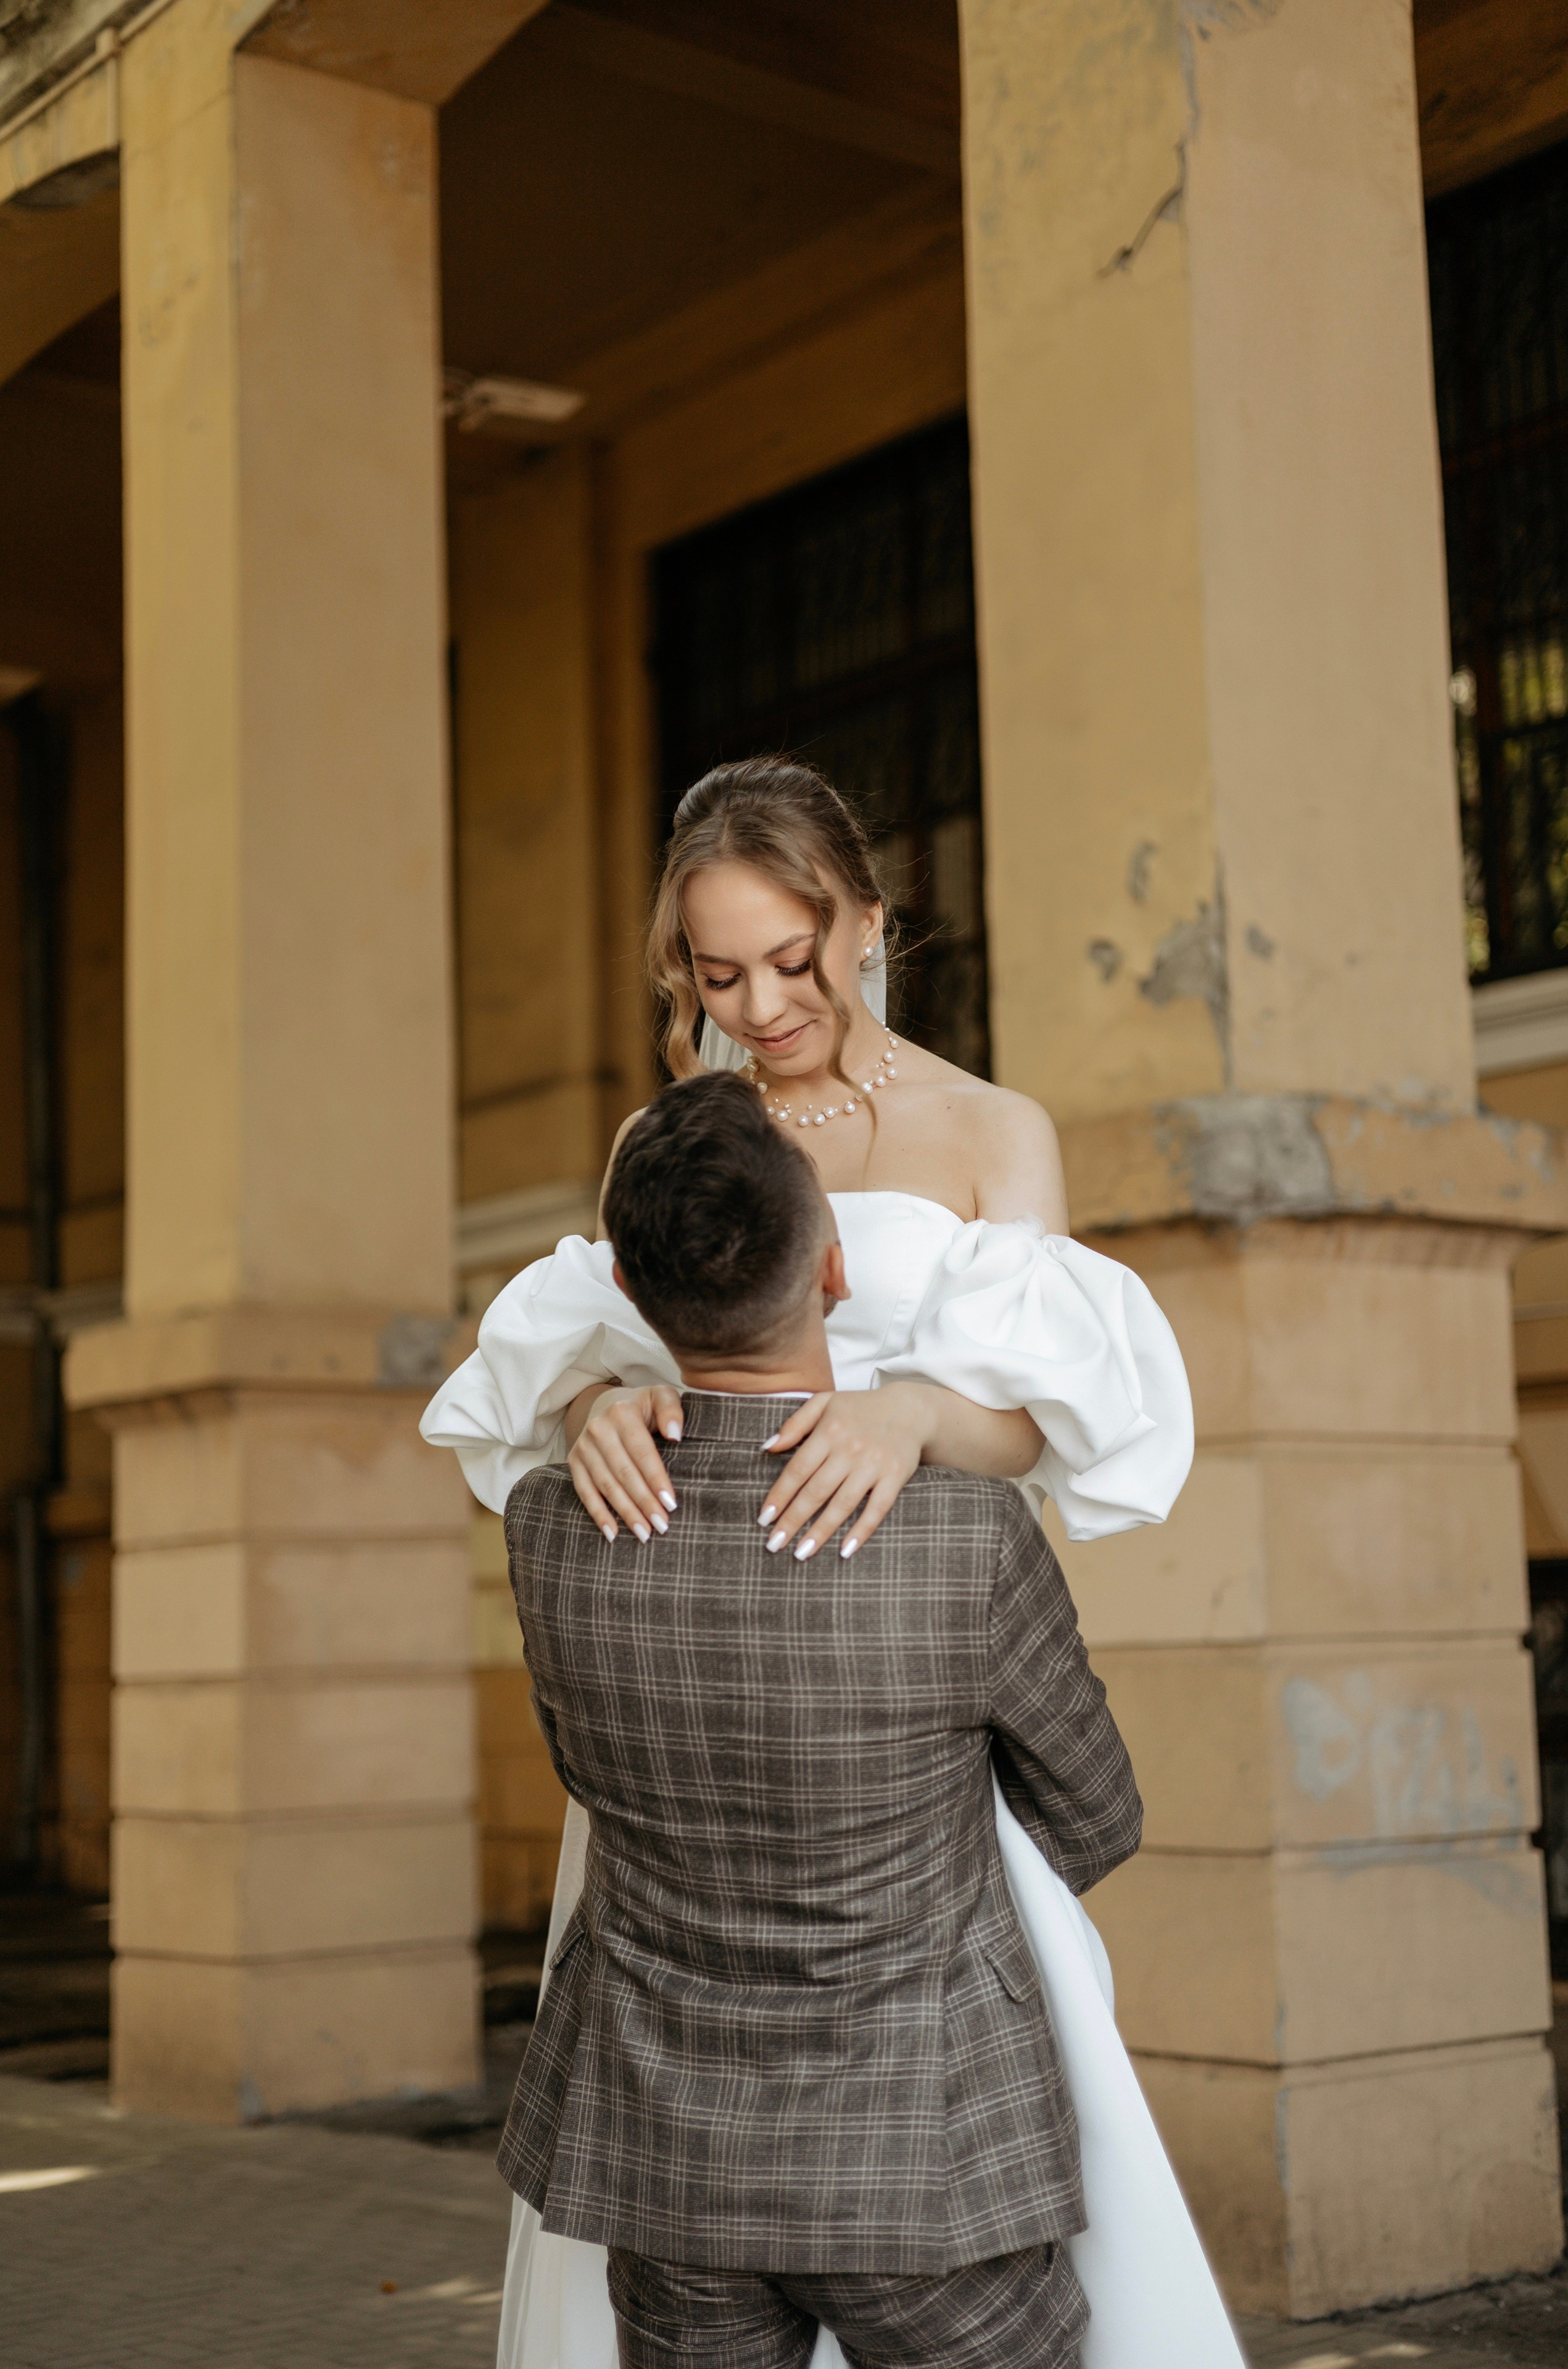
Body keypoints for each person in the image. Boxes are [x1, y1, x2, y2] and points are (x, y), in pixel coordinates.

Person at [421, 756, 1245, 2368]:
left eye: (796, 962)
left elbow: (1050, 1427)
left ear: (868, 919)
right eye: (716, 974)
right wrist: (598, 1398)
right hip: (706, 1703)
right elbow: (627, 1335)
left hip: (902, 1727)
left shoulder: (993, 1130)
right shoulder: (670, 1135)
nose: (765, 1004)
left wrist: (922, 1411)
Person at [501, 1071, 1142, 2368]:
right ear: (834, 1272)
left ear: (627, 1290)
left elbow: (587, 1772)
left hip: (668, 2164)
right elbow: (1097, 1812)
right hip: (928, 2156)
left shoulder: (548, 1528)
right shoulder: (961, 1535)